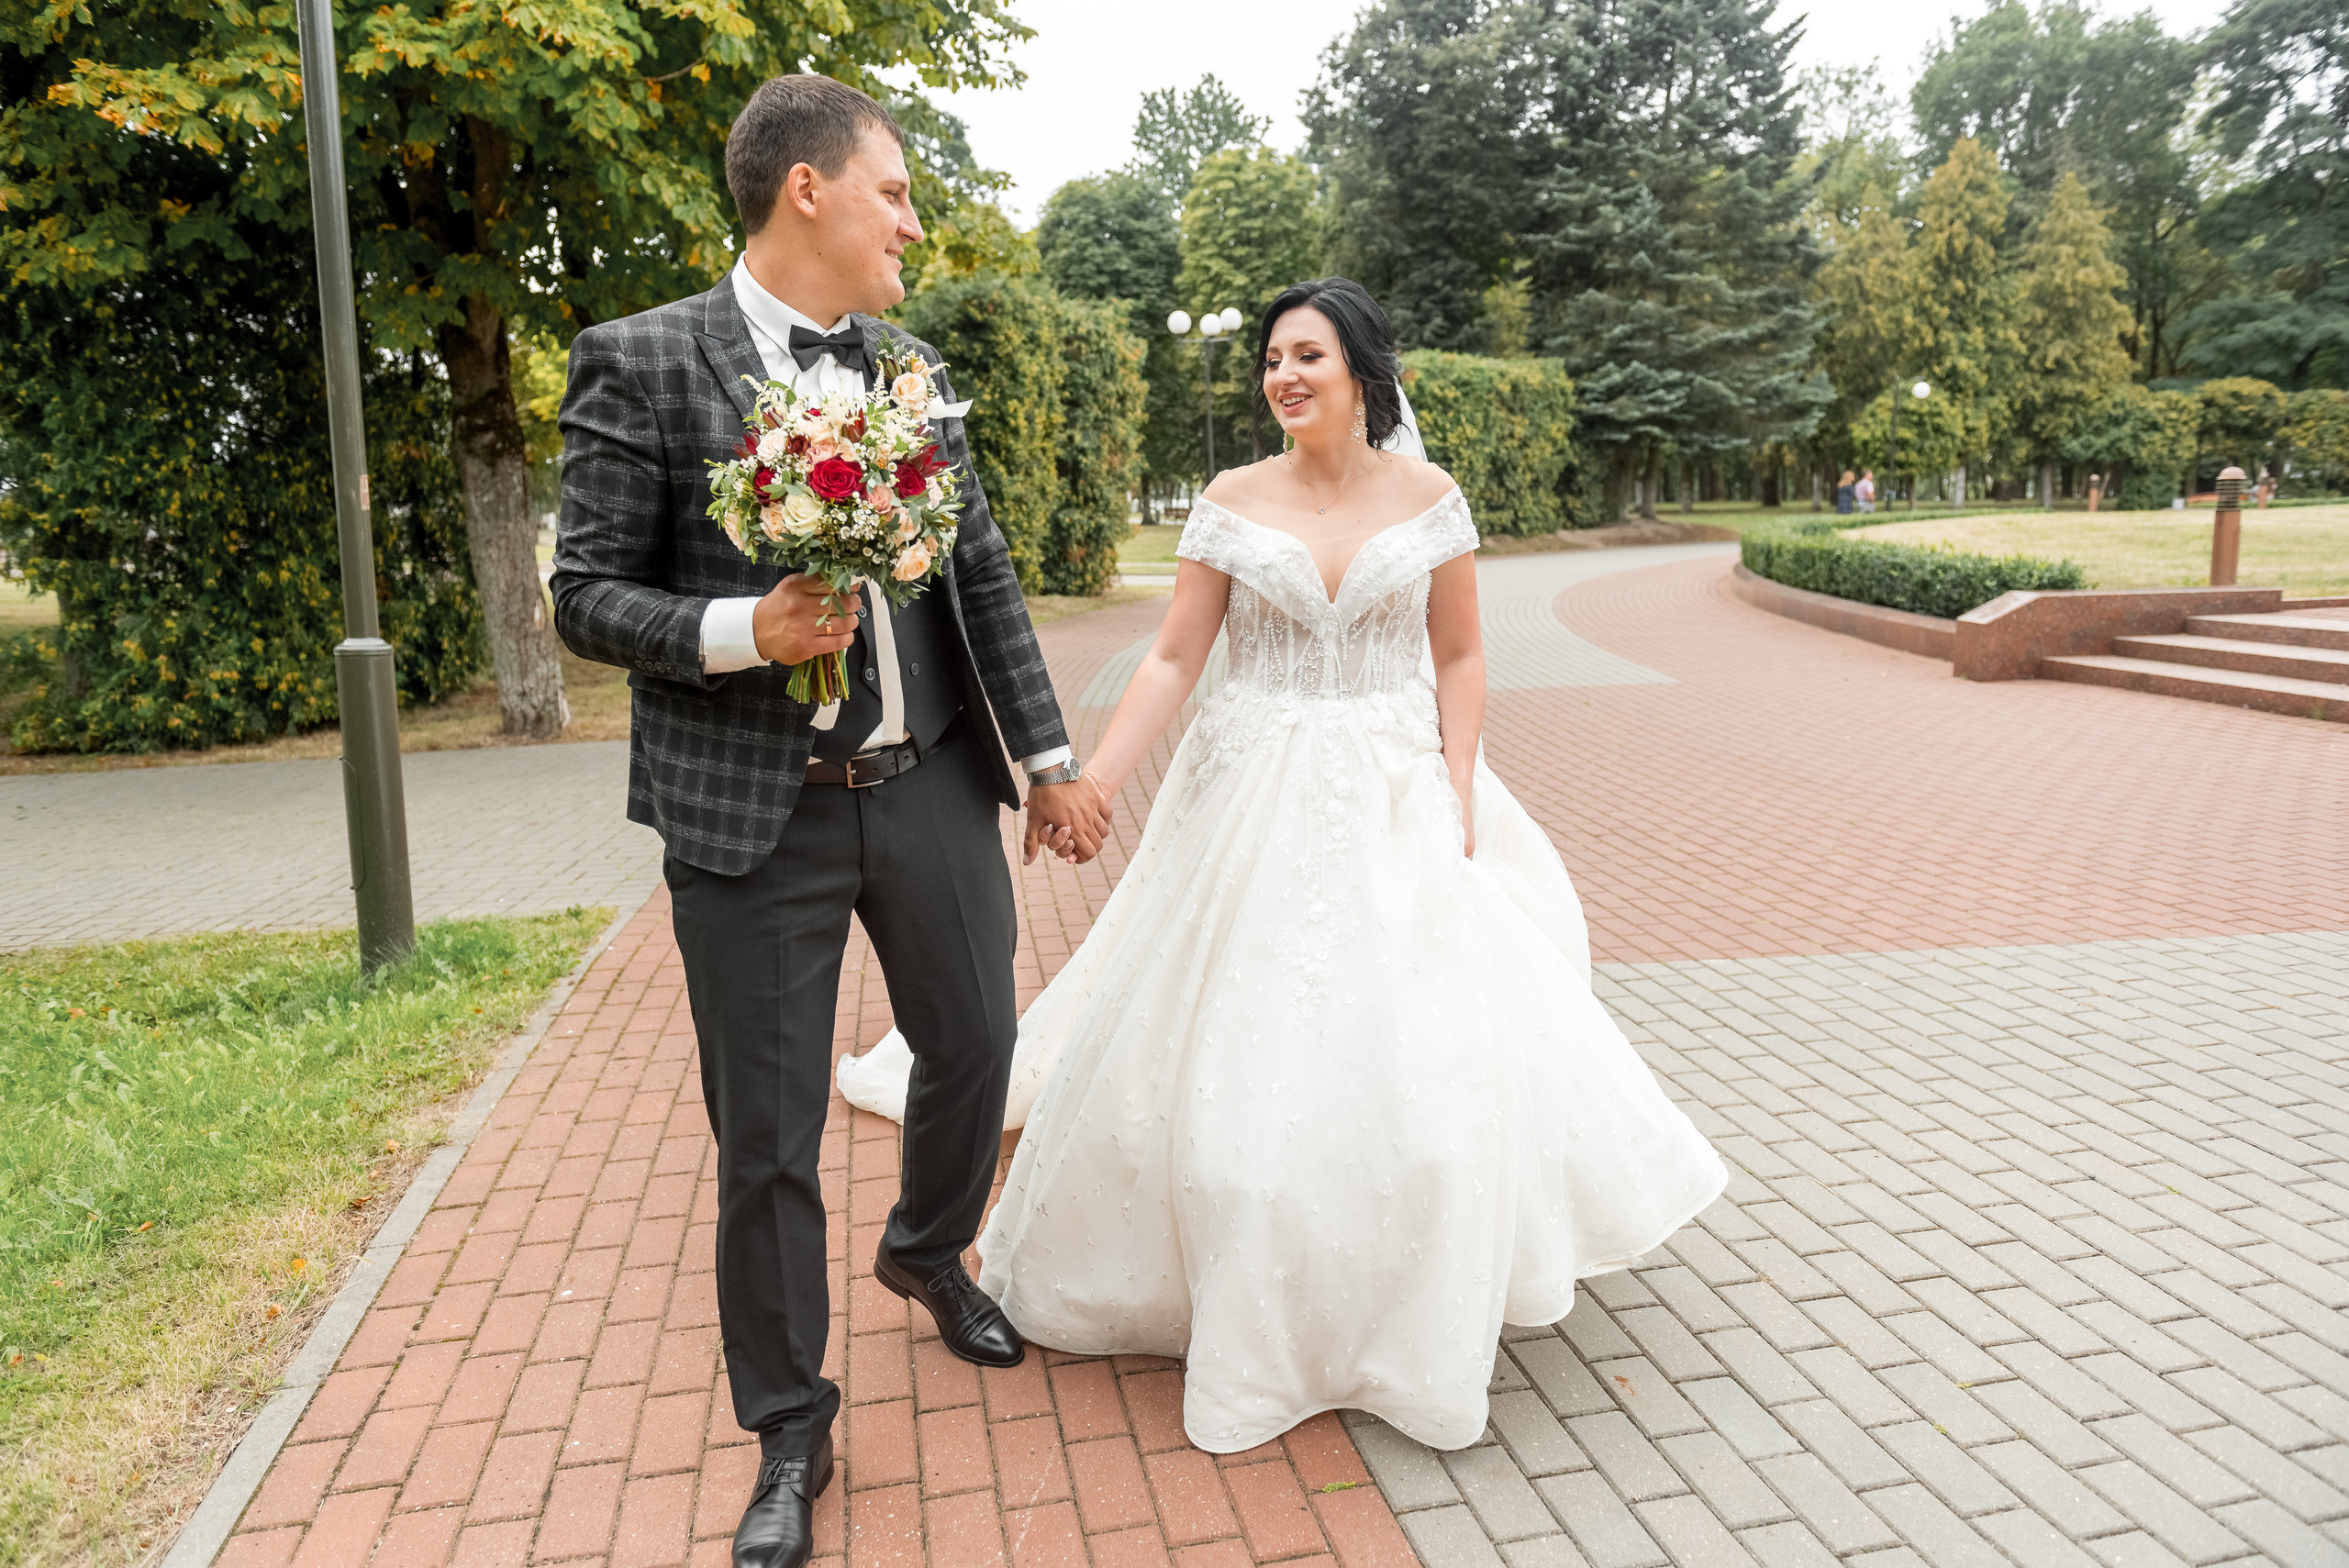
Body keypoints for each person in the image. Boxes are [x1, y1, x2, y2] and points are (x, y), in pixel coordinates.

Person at [841, 277, 1725, 1453]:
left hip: (1396, 785)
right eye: (1269, 359)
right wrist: (1093, 778)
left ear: (1361, 367)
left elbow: (1461, 654)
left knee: (1418, 1056)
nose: (1282, 376)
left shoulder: (1431, 499)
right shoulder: (1229, 499)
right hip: (1248, 789)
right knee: (1234, 1049)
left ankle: (1406, 1292)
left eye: (1306, 354)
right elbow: (1172, 657)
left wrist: (1457, 780)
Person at [550, 76, 1111, 1568]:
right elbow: (583, 595)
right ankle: (790, 1424)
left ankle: (926, 1249)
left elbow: (980, 573)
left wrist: (1049, 757)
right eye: (896, 193)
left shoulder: (912, 364)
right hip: (751, 818)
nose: (913, 224)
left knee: (977, 1044)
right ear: (808, 190)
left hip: (928, 780)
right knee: (768, 1139)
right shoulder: (639, 360)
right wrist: (751, 628)